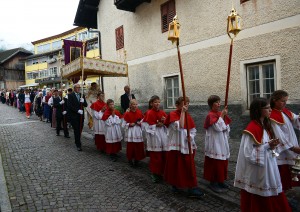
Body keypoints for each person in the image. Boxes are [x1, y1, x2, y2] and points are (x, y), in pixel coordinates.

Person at [234, 97, 291, 212]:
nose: (270, 110)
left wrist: (271, 146)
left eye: (270, 107)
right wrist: (267, 146)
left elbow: (264, 146)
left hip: (268, 165)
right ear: (259, 110)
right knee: (262, 192)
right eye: (267, 108)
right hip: (258, 170)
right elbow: (248, 154)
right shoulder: (252, 129)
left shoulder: (263, 125)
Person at [164, 97, 205, 198]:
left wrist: (190, 136)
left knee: (188, 166)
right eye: (183, 104)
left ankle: (192, 187)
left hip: (186, 144)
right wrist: (182, 112)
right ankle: (175, 184)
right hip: (176, 146)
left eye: (187, 104)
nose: (186, 106)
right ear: (177, 105)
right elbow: (180, 126)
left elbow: (193, 130)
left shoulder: (188, 115)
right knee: (175, 166)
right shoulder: (173, 114)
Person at [269, 90, 300, 191]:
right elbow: (279, 136)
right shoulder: (272, 115)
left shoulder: (285, 111)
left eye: (286, 101)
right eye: (283, 101)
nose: (285, 103)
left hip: (291, 145)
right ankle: (281, 193)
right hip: (283, 150)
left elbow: (296, 119)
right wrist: (292, 148)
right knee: (283, 172)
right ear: (274, 100)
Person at [203, 95, 231, 193]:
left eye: (219, 102)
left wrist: (223, 118)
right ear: (211, 104)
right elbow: (217, 128)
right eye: (216, 102)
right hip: (214, 141)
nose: (219, 104)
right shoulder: (210, 115)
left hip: (222, 140)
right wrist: (222, 115)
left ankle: (220, 180)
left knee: (222, 161)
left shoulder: (219, 113)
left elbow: (226, 127)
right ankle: (213, 182)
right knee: (215, 162)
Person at [143, 95, 168, 183]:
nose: (157, 104)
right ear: (151, 103)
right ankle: (154, 173)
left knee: (163, 155)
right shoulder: (149, 113)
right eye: (155, 102)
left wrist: (164, 122)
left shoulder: (162, 112)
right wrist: (156, 125)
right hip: (154, 136)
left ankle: (161, 172)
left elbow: (167, 122)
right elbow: (146, 126)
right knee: (155, 156)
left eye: (158, 102)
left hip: (162, 135)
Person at [123, 99, 145, 167]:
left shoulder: (139, 112)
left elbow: (143, 121)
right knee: (131, 146)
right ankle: (130, 159)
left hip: (138, 131)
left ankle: (137, 159)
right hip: (131, 132)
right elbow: (123, 124)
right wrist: (129, 124)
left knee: (138, 146)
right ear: (130, 105)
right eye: (133, 104)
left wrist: (140, 123)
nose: (135, 106)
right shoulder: (127, 113)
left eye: (136, 104)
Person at [67, 84, 88, 151]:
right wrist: (77, 110)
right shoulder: (70, 95)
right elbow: (69, 106)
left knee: (80, 129)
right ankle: (78, 144)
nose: (79, 88)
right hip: (74, 116)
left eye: (79, 87)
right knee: (76, 130)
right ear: (74, 88)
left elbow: (86, 105)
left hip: (81, 116)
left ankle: (78, 140)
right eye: (77, 87)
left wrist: (83, 101)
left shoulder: (82, 95)